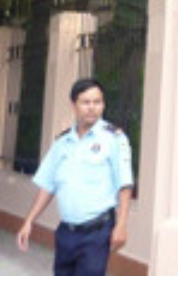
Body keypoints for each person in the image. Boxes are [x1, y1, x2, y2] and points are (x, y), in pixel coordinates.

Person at [16, 77, 134, 275]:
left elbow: (125, 185)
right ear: (74, 105)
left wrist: (121, 225)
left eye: (97, 102)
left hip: (97, 233)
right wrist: (29, 221)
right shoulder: (62, 143)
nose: (92, 108)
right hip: (66, 233)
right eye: (86, 102)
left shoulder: (114, 138)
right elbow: (48, 185)